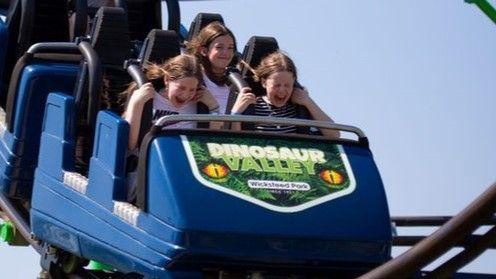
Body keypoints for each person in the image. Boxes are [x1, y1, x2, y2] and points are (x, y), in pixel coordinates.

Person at [230, 51, 339, 138]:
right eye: (277, 85)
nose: (282, 91)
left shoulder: (299, 109)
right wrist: (236, 112)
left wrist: (308, 102)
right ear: (264, 82)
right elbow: (232, 140)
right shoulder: (253, 106)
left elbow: (334, 135)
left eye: (287, 85)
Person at [122, 54, 220, 151]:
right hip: (153, 156)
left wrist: (214, 106)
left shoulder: (199, 104)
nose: (185, 95)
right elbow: (131, 145)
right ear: (167, 79)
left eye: (192, 90)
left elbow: (212, 143)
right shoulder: (148, 98)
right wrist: (136, 103)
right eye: (181, 88)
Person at [186, 21, 238, 115]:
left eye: (230, 48)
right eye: (219, 47)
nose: (226, 53)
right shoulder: (194, 79)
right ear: (204, 51)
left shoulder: (235, 84)